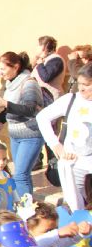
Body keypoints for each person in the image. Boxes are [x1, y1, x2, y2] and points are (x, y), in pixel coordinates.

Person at [36, 62, 92, 211]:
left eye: (86, 85)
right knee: (77, 208)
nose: (81, 88)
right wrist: (55, 145)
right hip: (73, 165)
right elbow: (42, 117)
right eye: (79, 83)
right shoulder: (71, 99)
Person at [0, 51, 44, 196]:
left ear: (16, 66)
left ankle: (24, 210)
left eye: (3, 69)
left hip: (30, 135)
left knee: (20, 175)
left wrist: (5, 103)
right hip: (15, 135)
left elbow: (31, 109)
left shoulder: (29, 83)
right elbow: (12, 109)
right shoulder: (11, 84)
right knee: (23, 175)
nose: (0, 73)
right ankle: (28, 205)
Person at [32, 35, 65, 107]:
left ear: (44, 46)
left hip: (51, 99)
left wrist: (40, 64)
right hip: (41, 99)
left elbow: (46, 77)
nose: (35, 48)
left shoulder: (56, 59)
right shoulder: (43, 59)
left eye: (38, 45)